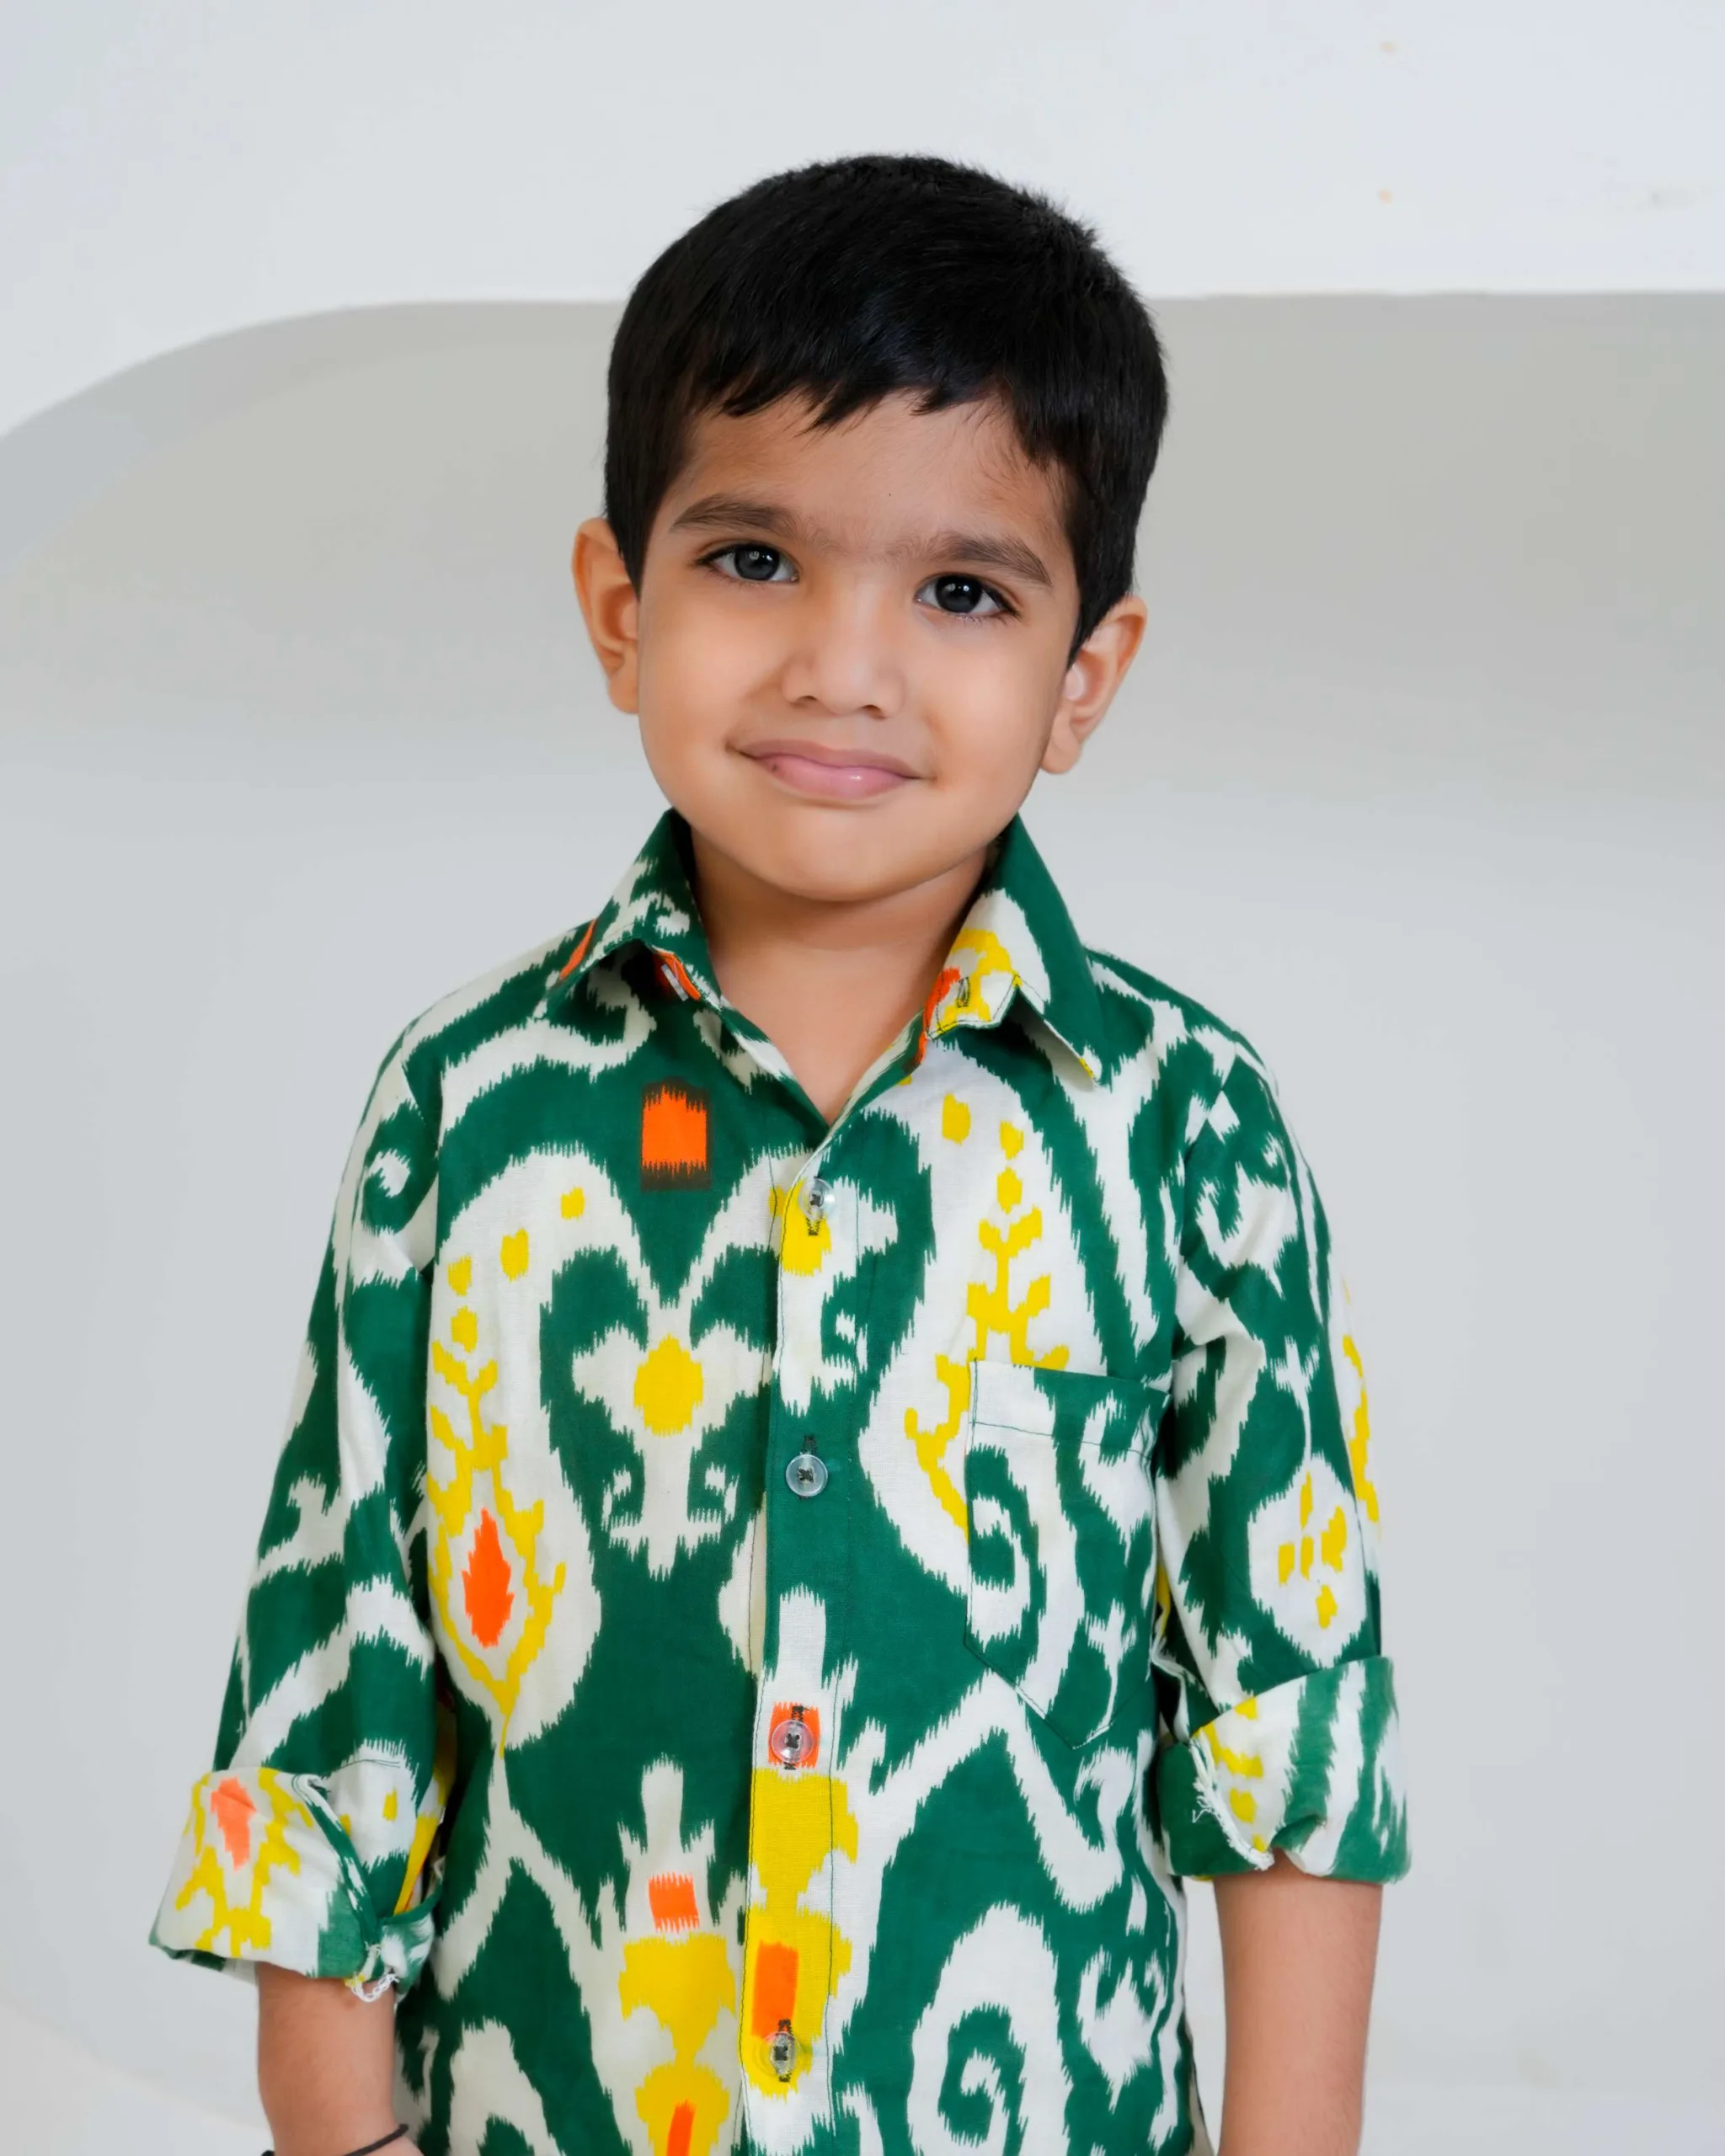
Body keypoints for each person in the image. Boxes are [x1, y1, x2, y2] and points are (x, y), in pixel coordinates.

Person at [151, 153, 1407, 2156]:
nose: (843, 662)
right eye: (754, 559)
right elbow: (336, 1665)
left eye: (962, 592)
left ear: (1084, 675)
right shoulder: (466, 1103)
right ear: (616, 605)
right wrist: (339, 2128)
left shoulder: (1184, 1124)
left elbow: (1291, 1706)